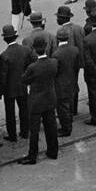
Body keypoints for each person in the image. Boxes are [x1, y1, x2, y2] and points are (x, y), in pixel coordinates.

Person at [17, 35, 60, 165]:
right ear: (46, 48)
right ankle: (53, 151)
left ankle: (32, 156)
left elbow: (24, 80)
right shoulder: (54, 62)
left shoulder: (32, 67)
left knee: (34, 130)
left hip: (36, 101)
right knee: (51, 126)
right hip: (50, 98)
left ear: (35, 50)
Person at [0, 23, 31, 144]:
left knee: (10, 113)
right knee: (24, 109)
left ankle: (12, 135)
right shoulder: (25, 50)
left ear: (5, 39)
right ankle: (25, 131)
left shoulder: (4, 55)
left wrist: (0, 92)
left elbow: (3, 76)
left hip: (9, 89)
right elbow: (30, 66)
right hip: (22, 85)